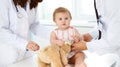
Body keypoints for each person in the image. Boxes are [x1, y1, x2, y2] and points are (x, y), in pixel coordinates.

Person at [0, 0, 50, 67]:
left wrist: (52, 34)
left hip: (26, 55)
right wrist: (25, 44)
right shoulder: (4, 2)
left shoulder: (31, 2)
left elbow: (34, 25)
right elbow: (2, 31)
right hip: (8, 55)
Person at [72, 0, 120, 67]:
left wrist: (86, 45)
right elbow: (105, 23)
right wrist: (88, 36)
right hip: (110, 54)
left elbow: (114, 41)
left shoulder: (114, 3)